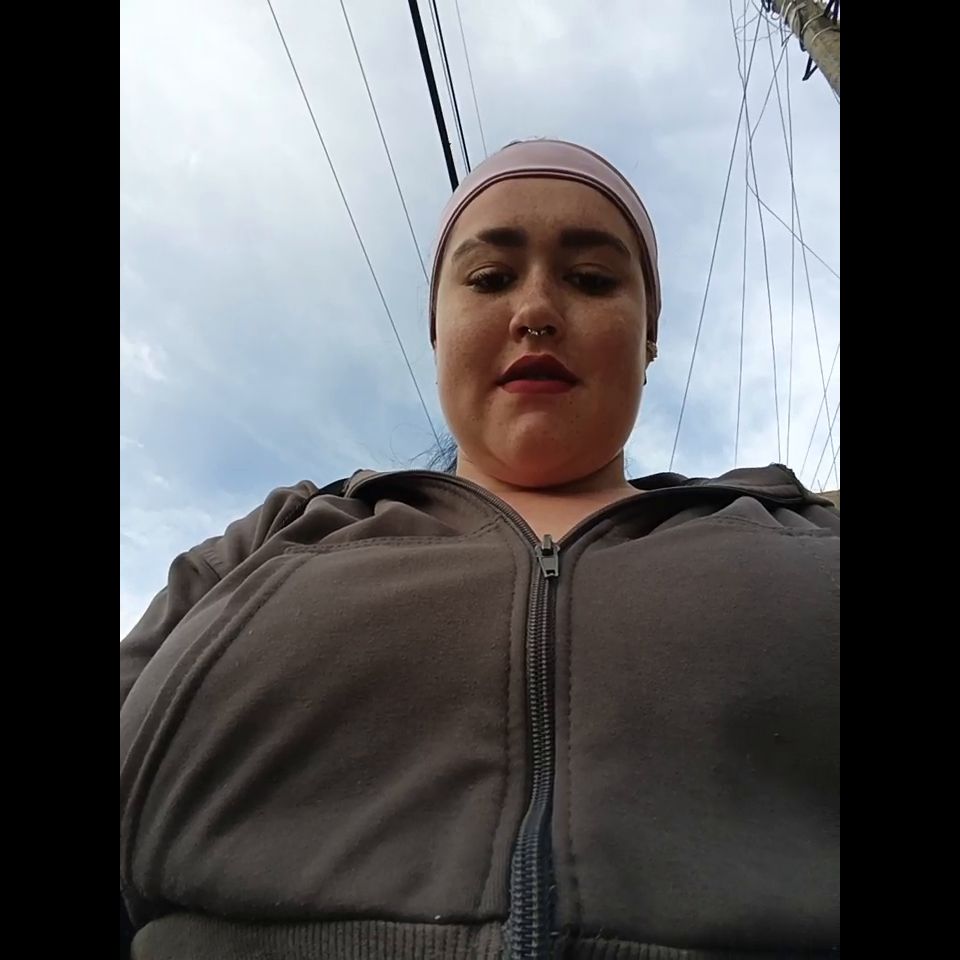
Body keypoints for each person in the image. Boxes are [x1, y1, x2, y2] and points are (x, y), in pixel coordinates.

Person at [120, 139, 840, 960]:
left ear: (648, 338)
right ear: (439, 332)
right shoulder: (282, 533)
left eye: (592, 279)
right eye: (491, 279)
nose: (537, 310)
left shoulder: (803, 530)